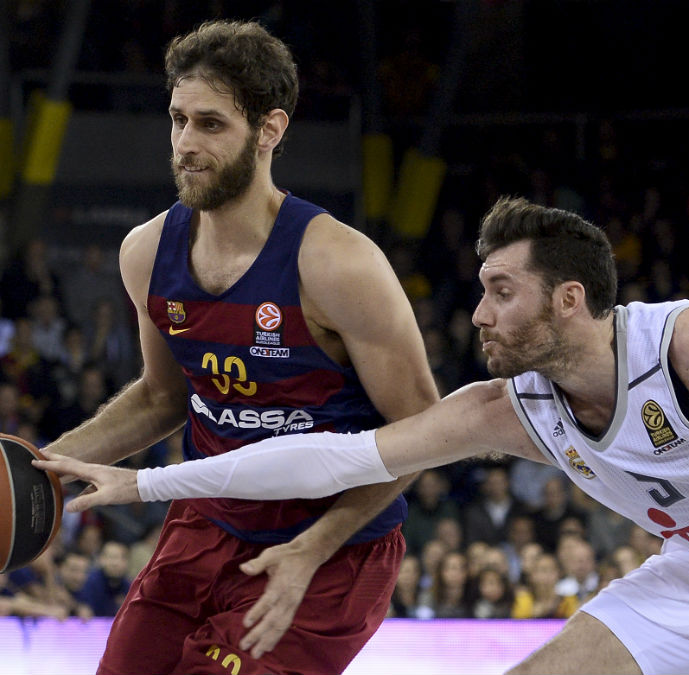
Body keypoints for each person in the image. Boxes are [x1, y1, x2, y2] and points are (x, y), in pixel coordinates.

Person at [38, 197, 689, 675]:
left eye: (500, 291)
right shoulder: (511, 409)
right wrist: (133, 490)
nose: (477, 314)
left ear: (568, 300)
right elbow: (342, 458)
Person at [33, 20, 438, 675]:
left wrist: (313, 547)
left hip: (331, 546)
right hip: (207, 522)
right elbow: (164, 395)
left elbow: (425, 429)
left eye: (211, 124)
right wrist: (44, 466)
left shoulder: (340, 264)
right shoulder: (146, 251)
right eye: (178, 120)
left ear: (270, 130)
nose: (186, 144)